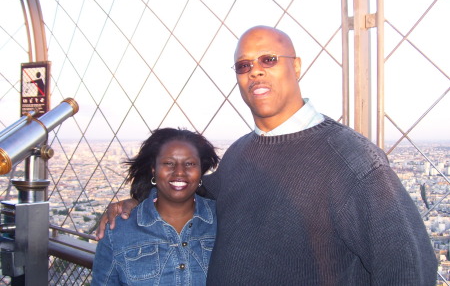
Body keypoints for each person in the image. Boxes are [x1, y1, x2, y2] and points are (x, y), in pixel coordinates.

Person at [96, 26, 437, 285]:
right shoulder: (241, 152)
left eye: (268, 60)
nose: (255, 71)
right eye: (243, 66)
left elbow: (410, 267)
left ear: (297, 66)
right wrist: (138, 201)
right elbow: (191, 190)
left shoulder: (352, 161)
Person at [91, 128, 219, 285]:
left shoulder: (224, 220)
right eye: (168, 163)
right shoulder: (118, 232)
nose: (179, 172)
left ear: (200, 171)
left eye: (190, 163)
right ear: (154, 169)